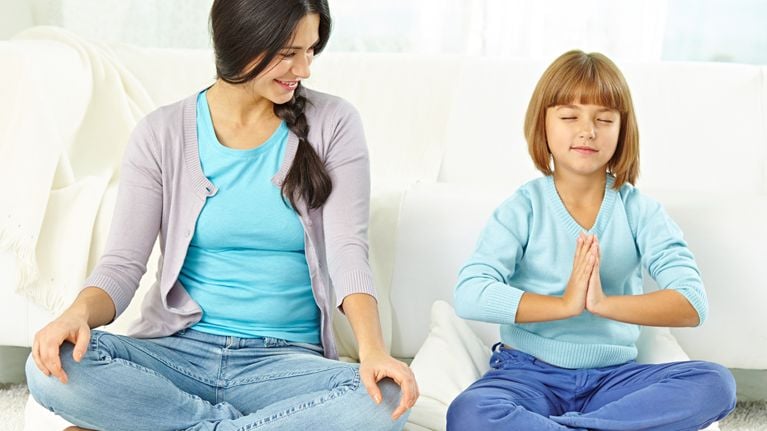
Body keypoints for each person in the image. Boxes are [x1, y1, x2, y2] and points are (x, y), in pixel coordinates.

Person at [25, 1, 418, 430]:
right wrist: (75, 315)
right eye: (289, 52)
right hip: (176, 354)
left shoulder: (334, 123)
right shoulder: (161, 133)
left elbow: (347, 251)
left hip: (282, 365)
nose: (304, 69)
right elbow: (121, 264)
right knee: (49, 365)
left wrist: (373, 351)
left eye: (311, 50)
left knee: (387, 399)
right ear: (242, 43)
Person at [446, 50, 736, 430]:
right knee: (470, 412)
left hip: (612, 380)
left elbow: (692, 304)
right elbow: (470, 292)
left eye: (604, 119)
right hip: (527, 376)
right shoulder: (523, 207)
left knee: (716, 384)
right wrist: (565, 304)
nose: (587, 130)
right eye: (569, 116)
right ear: (543, 124)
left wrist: (601, 303)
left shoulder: (641, 212)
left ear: (622, 130)